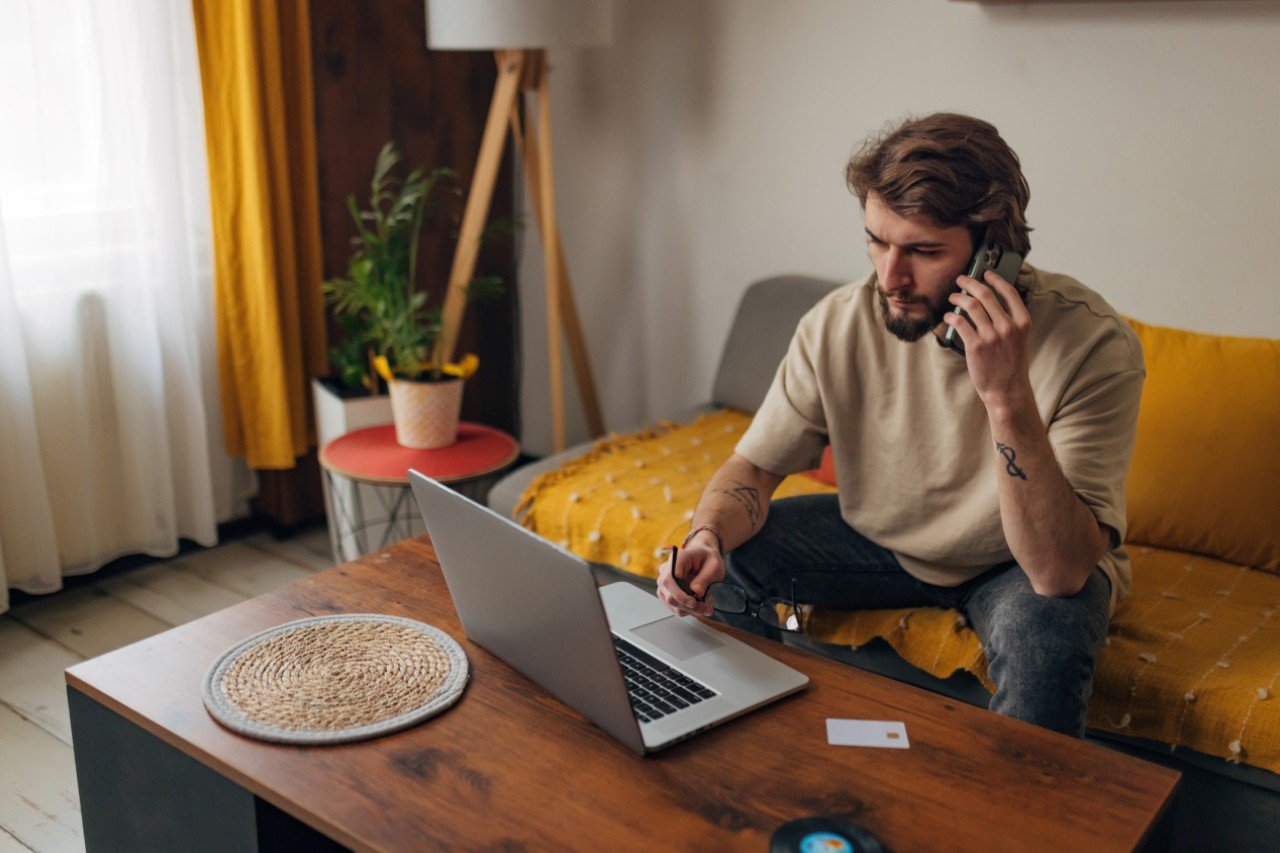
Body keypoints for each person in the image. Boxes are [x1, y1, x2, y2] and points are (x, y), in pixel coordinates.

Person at [656, 113, 1145, 737]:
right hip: (882, 538)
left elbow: (1057, 569)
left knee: (1049, 628)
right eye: (877, 241)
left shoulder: (1093, 343)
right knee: (733, 551)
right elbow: (753, 467)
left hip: (1016, 561)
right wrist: (705, 538)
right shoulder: (837, 322)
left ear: (996, 251)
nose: (890, 277)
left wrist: (1005, 395)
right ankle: (753, 749)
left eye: (922, 251)